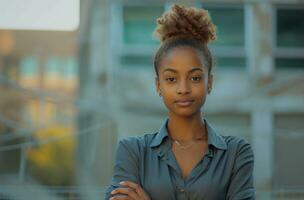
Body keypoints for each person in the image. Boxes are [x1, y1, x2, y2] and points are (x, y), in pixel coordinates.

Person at [105, 4, 255, 200]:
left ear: (209, 82)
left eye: (194, 78)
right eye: (171, 79)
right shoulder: (133, 151)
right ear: (158, 85)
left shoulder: (236, 153)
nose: (183, 88)